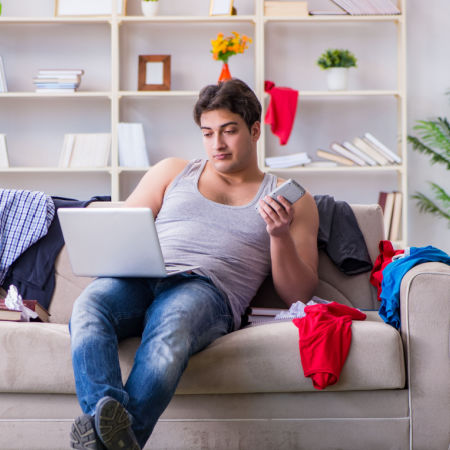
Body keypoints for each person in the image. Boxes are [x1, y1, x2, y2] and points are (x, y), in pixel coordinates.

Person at [69, 78, 319, 450]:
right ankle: (117, 438)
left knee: (173, 326)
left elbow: (297, 293)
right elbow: (118, 228)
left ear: (254, 131)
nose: (217, 144)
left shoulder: (290, 201)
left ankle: (108, 440)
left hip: (207, 291)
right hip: (141, 274)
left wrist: (279, 235)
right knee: (89, 305)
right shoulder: (173, 171)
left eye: (229, 131)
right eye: (207, 133)